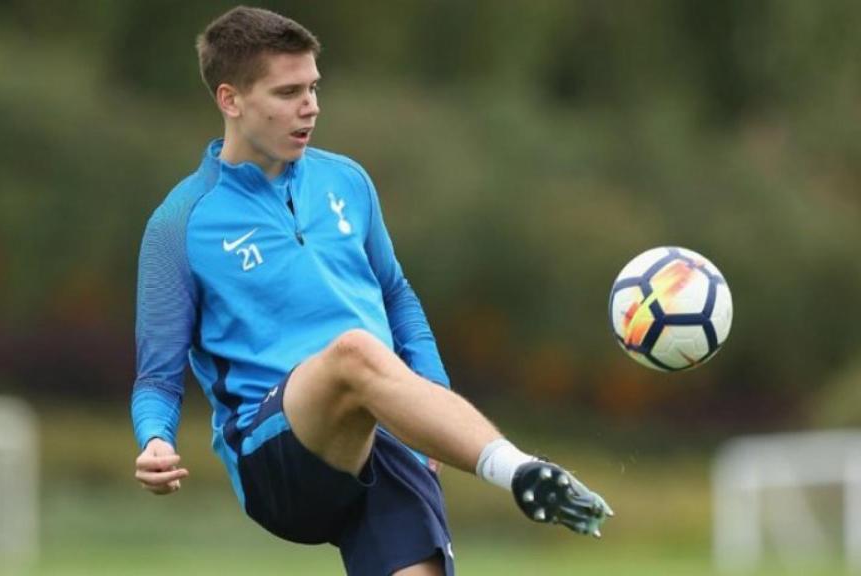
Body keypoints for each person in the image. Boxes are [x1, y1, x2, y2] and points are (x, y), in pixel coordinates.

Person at [131, 6, 612, 575]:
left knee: (364, 369)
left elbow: (397, 297)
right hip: (273, 455)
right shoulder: (179, 224)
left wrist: (429, 400)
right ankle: (521, 472)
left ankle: (501, 467)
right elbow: (157, 377)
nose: (311, 106)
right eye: (288, 92)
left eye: (313, 87)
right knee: (354, 352)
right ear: (230, 100)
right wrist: (155, 440)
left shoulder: (347, 181)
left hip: (383, 437)